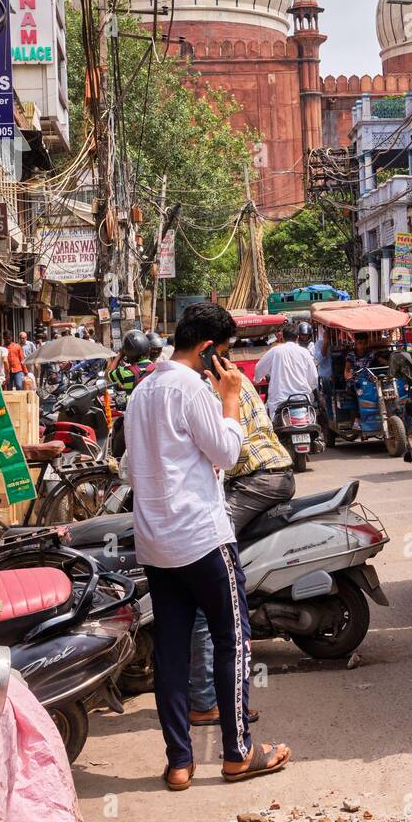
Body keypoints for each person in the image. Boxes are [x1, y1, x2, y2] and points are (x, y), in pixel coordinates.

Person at [125, 301, 290, 790]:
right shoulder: (191, 388)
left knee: (171, 653)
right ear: (207, 349)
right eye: (224, 352)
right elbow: (226, 452)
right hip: (201, 537)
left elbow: (133, 470)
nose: (226, 361)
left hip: (156, 544)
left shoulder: (142, 392)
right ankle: (238, 753)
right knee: (232, 640)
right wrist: (232, 399)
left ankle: (179, 763)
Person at [189, 372, 295, 725]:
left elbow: (221, 453)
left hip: (258, 478)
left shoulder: (206, 388)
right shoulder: (231, 378)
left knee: (209, 585)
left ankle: (206, 700)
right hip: (272, 472)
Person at [254, 322, 317, 420]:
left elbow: (258, 369)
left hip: (279, 403)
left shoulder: (275, 351)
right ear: (297, 338)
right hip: (303, 401)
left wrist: (257, 379)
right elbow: (314, 378)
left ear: (282, 337)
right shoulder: (305, 352)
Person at [108, 330, 155, 403]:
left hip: (134, 409)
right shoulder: (155, 367)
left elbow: (107, 375)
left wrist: (120, 354)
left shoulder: (125, 372)